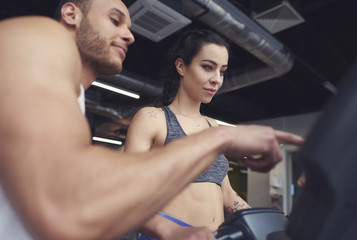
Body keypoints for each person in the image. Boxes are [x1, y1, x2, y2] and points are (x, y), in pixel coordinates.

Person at [0, 0, 304, 239]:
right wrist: (222, 138)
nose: (131, 35)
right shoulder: (43, 36)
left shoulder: (70, 102)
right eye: (115, 19)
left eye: (222, 72)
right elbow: (70, 206)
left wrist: (266, 222)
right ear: (71, 13)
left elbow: (77, 194)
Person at [124, 29, 252, 239]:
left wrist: (264, 221)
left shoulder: (214, 127)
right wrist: (174, 231)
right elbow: (126, 194)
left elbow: (227, 193)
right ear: (181, 66)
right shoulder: (153, 119)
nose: (217, 79)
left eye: (222, 71)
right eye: (208, 67)